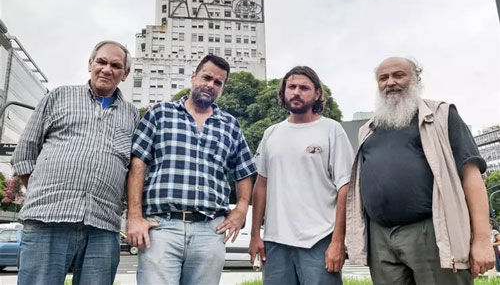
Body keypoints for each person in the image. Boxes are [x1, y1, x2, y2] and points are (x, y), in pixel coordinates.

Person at [345, 57, 494, 285]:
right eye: (383, 78)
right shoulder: (368, 130)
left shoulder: (442, 116)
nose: (390, 82)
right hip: (380, 237)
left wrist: (483, 240)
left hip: (432, 231)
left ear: (416, 79)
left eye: (399, 75)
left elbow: (472, 177)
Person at [11, 40, 138, 285]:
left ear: (125, 74)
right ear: (90, 64)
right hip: (47, 218)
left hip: (103, 225)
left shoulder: (131, 115)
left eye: (115, 65)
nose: (107, 69)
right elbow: (24, 154)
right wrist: (42, 192)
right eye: (101, 62)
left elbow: (132, 169)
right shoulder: (59, 96)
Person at [127, 54, 256, 285]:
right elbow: (138, 164)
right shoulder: (160, 114)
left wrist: (242, 208)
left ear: (222, 89)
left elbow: (244, 170)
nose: (211, 85)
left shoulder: (230, 125)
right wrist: (135, 216)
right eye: (206, 77)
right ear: (193, 76)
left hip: (210, 230)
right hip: (162, 228)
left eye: (218, 83)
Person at [249, 66, 355, 285]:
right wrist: (254, 235)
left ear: (317, 93)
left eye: (304, 87)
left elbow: (346, 188)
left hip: (319, 240)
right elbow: (261, 185)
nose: (296, 92)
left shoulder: (331, 130)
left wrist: (338, 240)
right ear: (284, 92)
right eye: (292, 87)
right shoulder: (271, 133)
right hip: (275, 243)